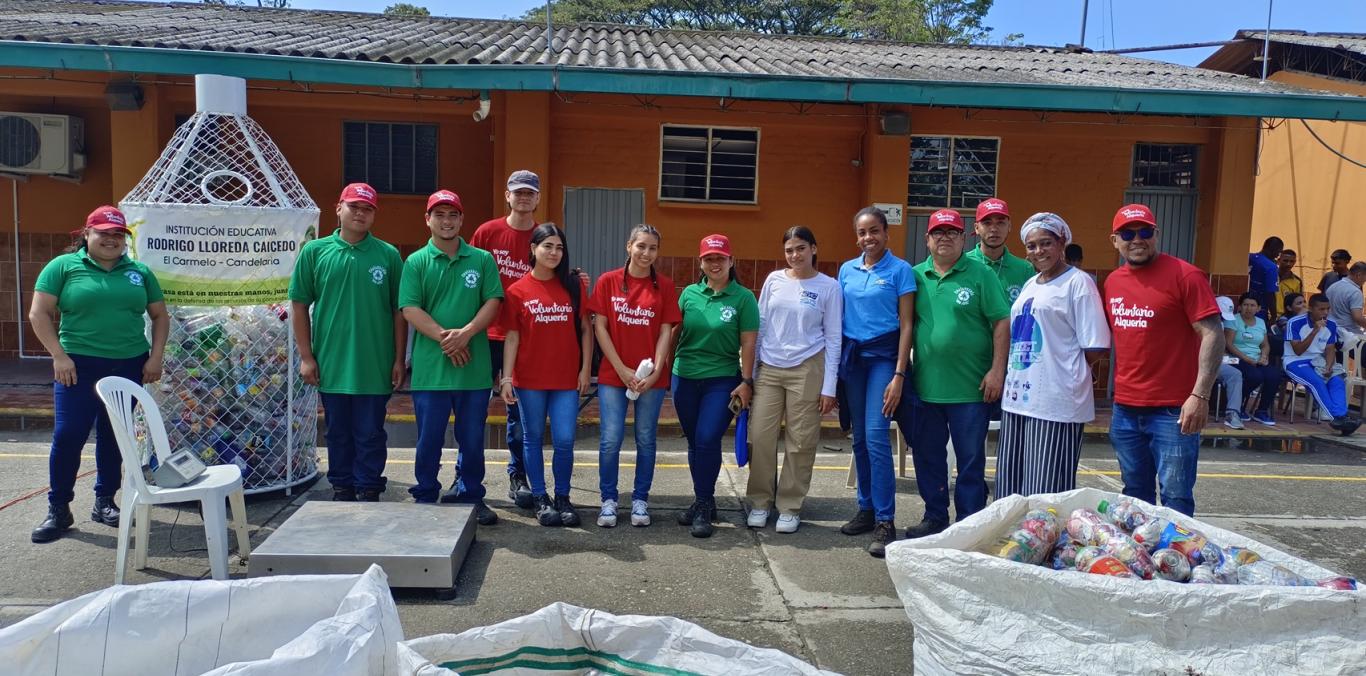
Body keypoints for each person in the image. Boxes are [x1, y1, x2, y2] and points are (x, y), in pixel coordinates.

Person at [28, 206, 169, 543]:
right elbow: (39, 314)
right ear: (86, 234)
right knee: (69, 435)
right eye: (103, 233)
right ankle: (58, 509)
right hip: (76, 366)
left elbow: (160, 316)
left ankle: (105, 501)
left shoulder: (139, 272)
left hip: (128, 365)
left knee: (114, 434)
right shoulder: (63, 267)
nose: (111, 239)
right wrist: (59, 357)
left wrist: (155, 358)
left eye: (118, 234)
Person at [1104, 203, 1223, 517]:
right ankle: (1143, 561)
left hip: (1173, 410)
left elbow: (1212, 334)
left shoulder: (1186, 275)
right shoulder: (1112, 282)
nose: (1137, 239)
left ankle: (1177, 561)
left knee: (1176, 498)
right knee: (1135, 496)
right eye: (1127, 234)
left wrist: (1200, 396)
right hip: (1125, 409)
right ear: (1114, 240)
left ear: (1156, 234)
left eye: (1145, 231)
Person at [289, 184, 405, 503]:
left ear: (374, 215)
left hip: (374, 362)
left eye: (367, 209)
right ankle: (341, 485)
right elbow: (299, 305)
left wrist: (398, 359)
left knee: (370, 432)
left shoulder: (388, 255)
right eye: (354, 207)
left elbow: (399, 311)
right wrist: (306, 356)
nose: (360, 213)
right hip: (332, 362)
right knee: (337, 431)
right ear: (338, 208)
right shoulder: (315, 252)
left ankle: (369, 485)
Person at [399, 190, 503, 524]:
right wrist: (448, 339)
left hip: (473, 369)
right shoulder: (416, 261)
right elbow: (410, 308)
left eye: (453, 215)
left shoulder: (482, 260)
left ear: (461, 220)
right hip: (432, 370)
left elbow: (493, 301)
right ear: (428, 219)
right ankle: (426, 492)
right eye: (440, 214)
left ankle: (471, 494)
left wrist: (467, 333)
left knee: (472, 438)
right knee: (429, 437)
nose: (447, 221)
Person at [908, 209, 1009, 536]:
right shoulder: (915, 276)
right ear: (927, 239)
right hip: (926, 389)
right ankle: (935, 517)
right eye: (938, 232)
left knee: (970, 463)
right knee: (928, 459)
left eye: (953, 232)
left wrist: (997, 371)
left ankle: (968, 525)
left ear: (965, 238)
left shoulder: (980, 274)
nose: (945, 237)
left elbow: (1001, 322)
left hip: (971, 391)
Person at [995, 213, 1110, 498]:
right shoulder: (1031, 283)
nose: (1039, 251)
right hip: (1019, 398)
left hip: (1056, 401)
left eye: (1046, 243)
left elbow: (1095, 346)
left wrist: (1064, 372)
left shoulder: (1078, 283)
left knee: (1044, 490)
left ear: (1062, 243)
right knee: (1011, 486)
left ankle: (1042, 542)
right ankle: (1014, 540)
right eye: (1032, 246)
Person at [746, 226, 842, 534]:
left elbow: (834, 337)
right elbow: (759, 324)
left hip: (807, 366)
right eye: (789, 250)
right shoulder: (773, 280)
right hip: (770, 368)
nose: (794, 255)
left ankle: (789, 505)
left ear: (814, 249)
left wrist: (829, 386)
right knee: (760, 437)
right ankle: (760, 502)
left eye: (800, 248)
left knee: (800, 441)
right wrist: (751, 373)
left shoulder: (829, 286)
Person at [499, 223, 593, 527]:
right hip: (530, 380)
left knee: (565, 440)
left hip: (566, 379)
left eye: (559, 247)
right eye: (547, 246)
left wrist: (585, 370)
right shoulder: (516, 291)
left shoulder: (573, 286)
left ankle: (563, 497)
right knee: (533, 438)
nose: (553, 253)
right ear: (533, 249)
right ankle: (540, 498)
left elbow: (586, 330)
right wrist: (507, 377)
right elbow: (511, 337)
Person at [590, 224, 680, 528]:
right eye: (641, 246)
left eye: (652, 248)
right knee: (610, 439)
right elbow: (600, 327)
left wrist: (655, 371)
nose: (646, 253)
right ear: (629, 246)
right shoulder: (607, 281)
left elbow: (667, 329)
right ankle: (609, 501)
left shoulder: (664, 286)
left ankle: (640, 499)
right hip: (614, 374)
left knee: (645, 439)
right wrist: (620, 368)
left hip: (651, 378)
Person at [837, 207, 915, 558]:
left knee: (875, 436)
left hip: (884, 358)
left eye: (874, 231)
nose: (868, 238)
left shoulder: (901, 271)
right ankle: (866, 508)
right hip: (854, 360)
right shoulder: (846, 270)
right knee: (859, 439)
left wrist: (899, 373)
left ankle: (886, 519)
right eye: (862, 232)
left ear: (886, 233)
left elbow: (907, 325)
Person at [672, 234, 758, 539]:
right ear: (701, 262)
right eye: (709, 258)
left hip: (722, 379)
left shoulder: (743, 298)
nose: (715, 263)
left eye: (721, 258)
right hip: (684, 377)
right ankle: (701, 501)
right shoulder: (689, 295)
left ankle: (705, 504)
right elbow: (672, 336)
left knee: (708, 438)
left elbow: (749, 343)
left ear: (731, 261)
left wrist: (747, 382)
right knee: (695, 442)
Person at [470, 170, 541, 509]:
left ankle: (519, 476)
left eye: (530, 193)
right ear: (508, 196)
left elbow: (555, 271)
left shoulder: (543, 235)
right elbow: (468, 278)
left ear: (538, 199)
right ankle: (465, 475)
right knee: (473, 409)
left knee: (518, 415)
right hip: (485, 333)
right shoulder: (487, 232)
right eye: (518, 192)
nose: (524, 198)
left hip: (523, 337)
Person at [1284, 294, 1360, 435]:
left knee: (1336, 380)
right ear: (1311, 309)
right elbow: (1298, 350)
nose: (1325, 312)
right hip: (1295, 361)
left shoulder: (1331, 324)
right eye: (1321, 309)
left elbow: (1330, 348)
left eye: (1327, 309)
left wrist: (1329, 366)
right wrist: (1315, 331)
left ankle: (1341, 417)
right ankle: (1338, 418)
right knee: (1316, 382)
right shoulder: (1295, 322)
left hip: (1318, 361)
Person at [1223, 292, 1281, 426]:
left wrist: (1264, 356)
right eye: (1245, 305)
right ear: (1240, 307)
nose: (1248, 308)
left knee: (1274, 375)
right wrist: (1247, 359)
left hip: (1257, 358)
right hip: (1236, 358)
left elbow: (1265, 344)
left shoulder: (1261, 322)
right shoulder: (1232, 320)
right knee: (1255, 376)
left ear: (1258, 308)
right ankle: (1239, 406)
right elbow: (1229, 344)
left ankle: (1261, 411)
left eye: (1252, 305)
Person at [966, 198, 1034, 305]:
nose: (994, 229)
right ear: (976, 228)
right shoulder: (961, 265)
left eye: (1000, 223)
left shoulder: (1025, 269)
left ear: (1009, 226)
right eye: (987, 223)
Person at [1213, 297, 1247, 430]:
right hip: (1193, 362)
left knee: (1235, 374)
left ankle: (1232, 414)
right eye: (1221, 314)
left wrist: (1223, 355)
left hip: (1213, 362)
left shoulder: (1220, 323)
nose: (1222, 318)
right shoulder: (1199, 322)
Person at [1326, 261, 1366, 337]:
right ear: (1359, 275)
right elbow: (1358, 318)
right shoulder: (1355, 292)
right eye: (1365, 279)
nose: (1364, 282)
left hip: (1330, 331)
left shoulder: (1332, 287)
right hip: (1349, 334)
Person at [1248, 237, 1283, 319]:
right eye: (1279, 251)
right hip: (1259, 310)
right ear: (1273, 249)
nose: (1278, 255)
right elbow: (1270, 294)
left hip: (1244, 306)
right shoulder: (1271, 267)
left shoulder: (1249, 257)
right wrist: (1274, 316)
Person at [1276, 249, 1303, 318]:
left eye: (1291, 261)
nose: (1288, 264)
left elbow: (1298, 302)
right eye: (1285, 261)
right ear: (1279, 261)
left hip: (1285, 317)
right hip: (1267, 315)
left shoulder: (1297, 281)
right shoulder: (1271, 276)